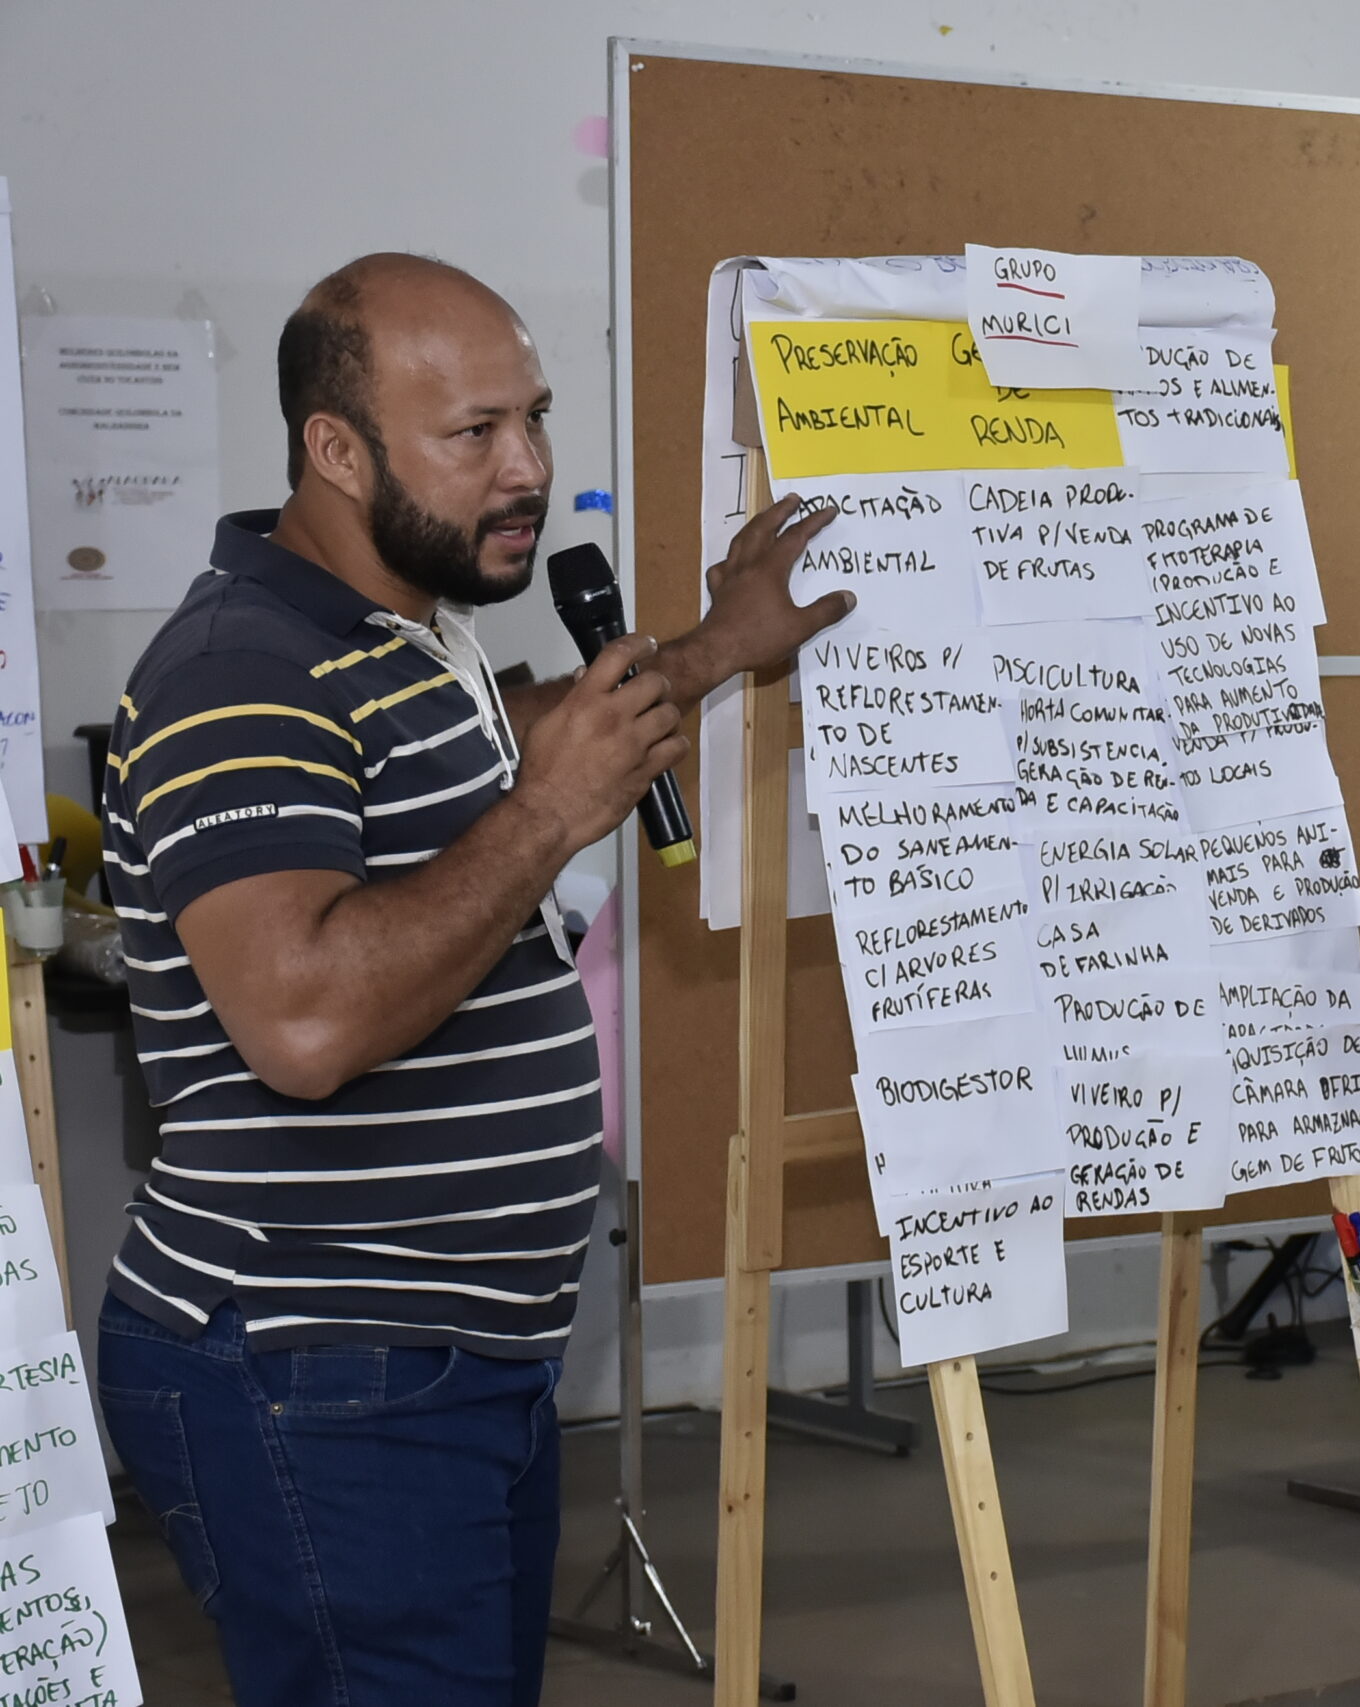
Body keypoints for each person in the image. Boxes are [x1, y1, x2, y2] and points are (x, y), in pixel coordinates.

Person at [92, 253, 846, 1707]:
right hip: (316, 1367)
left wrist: (714, 650)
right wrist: (553, 813)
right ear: (335, 448)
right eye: (474, 433)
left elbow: (526, 746)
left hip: (446, 1361)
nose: (527, 470)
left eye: (535, 418)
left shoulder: (404, 636)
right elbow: (305, 1018)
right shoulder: (236, 671)